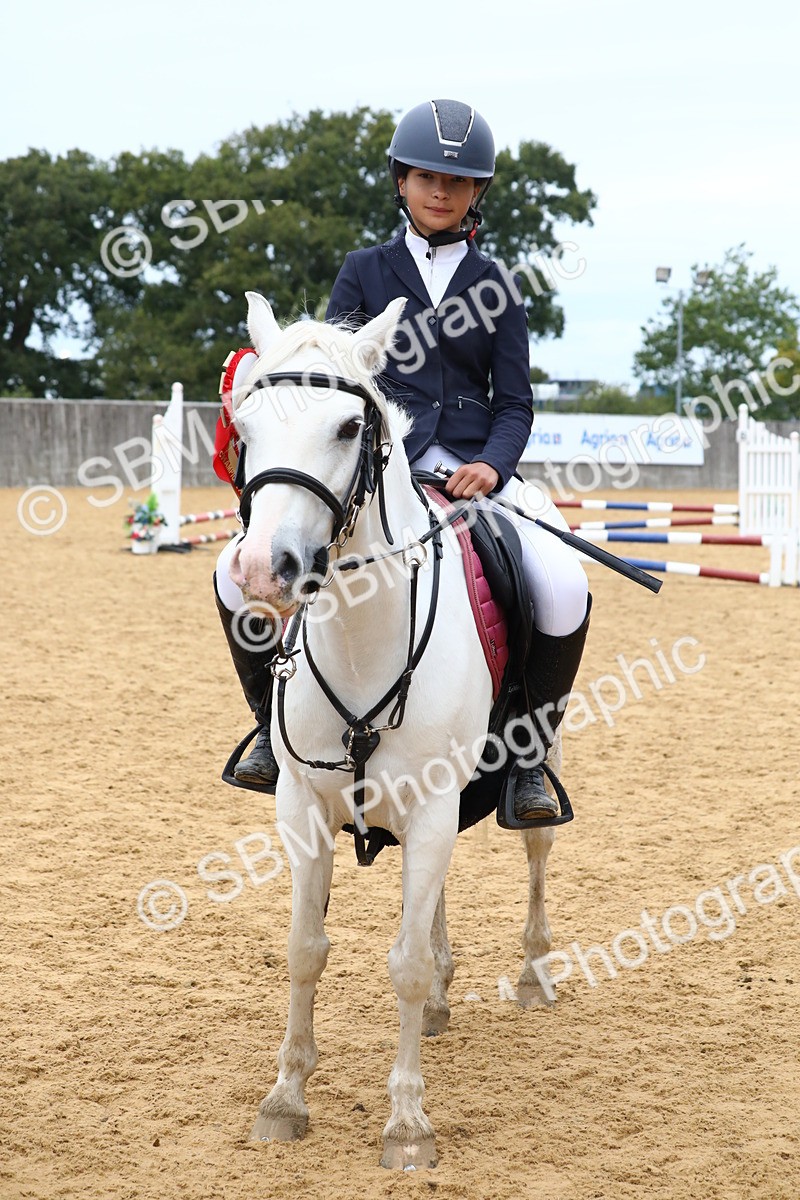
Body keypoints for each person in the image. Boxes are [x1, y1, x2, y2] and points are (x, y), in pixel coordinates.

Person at [214, 98, 591, 823]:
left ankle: (530, 760)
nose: (440, 192)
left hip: (474, 467)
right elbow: (334, 377)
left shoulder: (500, 285)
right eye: (427, 178)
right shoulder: (363, 270)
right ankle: (269, 728)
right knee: (231, 577)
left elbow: (515, 402)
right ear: (402, 182)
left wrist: (494, 466)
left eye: (457, 181)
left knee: (562, 584)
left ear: (477, 192)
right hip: (374, 464)